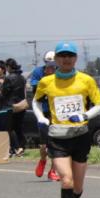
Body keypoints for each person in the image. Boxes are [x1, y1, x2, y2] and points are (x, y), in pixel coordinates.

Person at [31, 41, 100, 198]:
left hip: (80, 136)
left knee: (78, 188)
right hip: (58, 137)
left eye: (70, 55)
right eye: (62, 56)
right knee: (66, 180)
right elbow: (36, 101)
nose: (66, 59)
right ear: (56, 59)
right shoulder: (46, 82)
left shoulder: (86, 80)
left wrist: (85, 116)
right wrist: (41, 118)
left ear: (75, 58)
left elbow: (99, 105)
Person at [27, 52, 60, 180]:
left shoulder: (60, 73)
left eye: (53, 65)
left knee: (56, 142)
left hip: (56, 111)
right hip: (42, 111)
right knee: (43, 143)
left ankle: (53, 170)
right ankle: (42, 160)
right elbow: (36, 89)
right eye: (48, 64)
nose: (51, 67)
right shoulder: (38, 72)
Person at [0, 58, 27, 156]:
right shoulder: (22, 77)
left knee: (10, 128)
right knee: (19, 128)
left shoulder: (9, 78)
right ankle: (22, 147)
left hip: (11, 106)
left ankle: (16, 148)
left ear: (8, 67)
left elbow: (4, 93)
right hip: (22, 105)